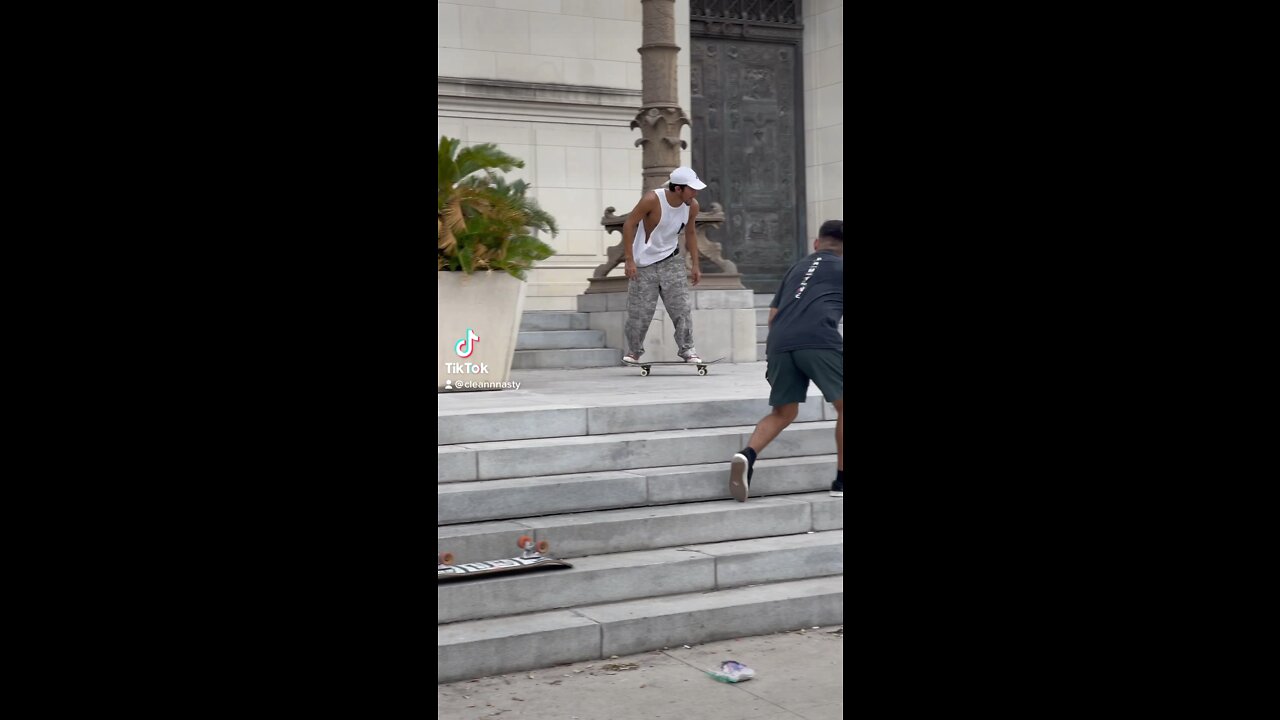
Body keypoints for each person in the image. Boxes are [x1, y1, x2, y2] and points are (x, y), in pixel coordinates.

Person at [730, 220, 844, 501]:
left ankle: (748, 455)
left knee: (783, 412)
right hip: (818, 339)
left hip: (780, 342)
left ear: (817, 244)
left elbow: (772, 316)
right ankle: (842, 481)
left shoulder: (796, 269)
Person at [621, 167, 705, 364]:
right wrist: (629, 259)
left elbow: (691, 233)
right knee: (640, 311)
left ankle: (687, 349)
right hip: (644, 263)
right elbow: (629, 224)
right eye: (691, 189)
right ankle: (634, 351)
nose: (695, 193)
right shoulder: (652, 199)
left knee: (681, 308)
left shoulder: (692, 206)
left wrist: (695, 265)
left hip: (672, 260)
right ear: (678, 189)